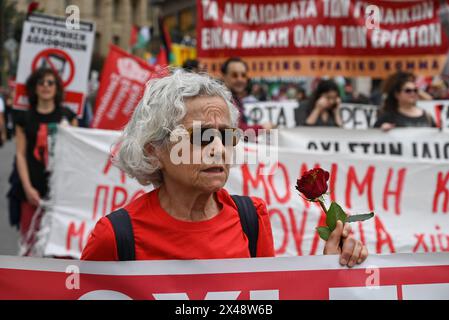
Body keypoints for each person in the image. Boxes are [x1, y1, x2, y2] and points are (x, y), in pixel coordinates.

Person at [81, 70, 368, 267]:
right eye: (202, 136)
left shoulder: (251, 220)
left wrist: (329, 266)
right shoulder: (116, 236)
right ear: (153, 151)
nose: (219, 149)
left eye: (227, 136)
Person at [14, 68, 78, 254]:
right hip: (31, 192)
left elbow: (76, 155)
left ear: (57, 88)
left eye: (50, 82)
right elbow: (20, 154)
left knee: (59, 249)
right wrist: (27, 188)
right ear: (34, 88)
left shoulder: (67, 116)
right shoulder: (24, 118)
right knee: (29, 244)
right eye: (41, 83)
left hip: (60, 194)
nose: (45, 86)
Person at [220, 57, 274, 131]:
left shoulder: (235, 100)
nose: (240, 79)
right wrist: (262, 128)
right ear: (224, 77)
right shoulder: (220, 101)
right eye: (234, 75)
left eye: (243, 75)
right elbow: (236, 131)